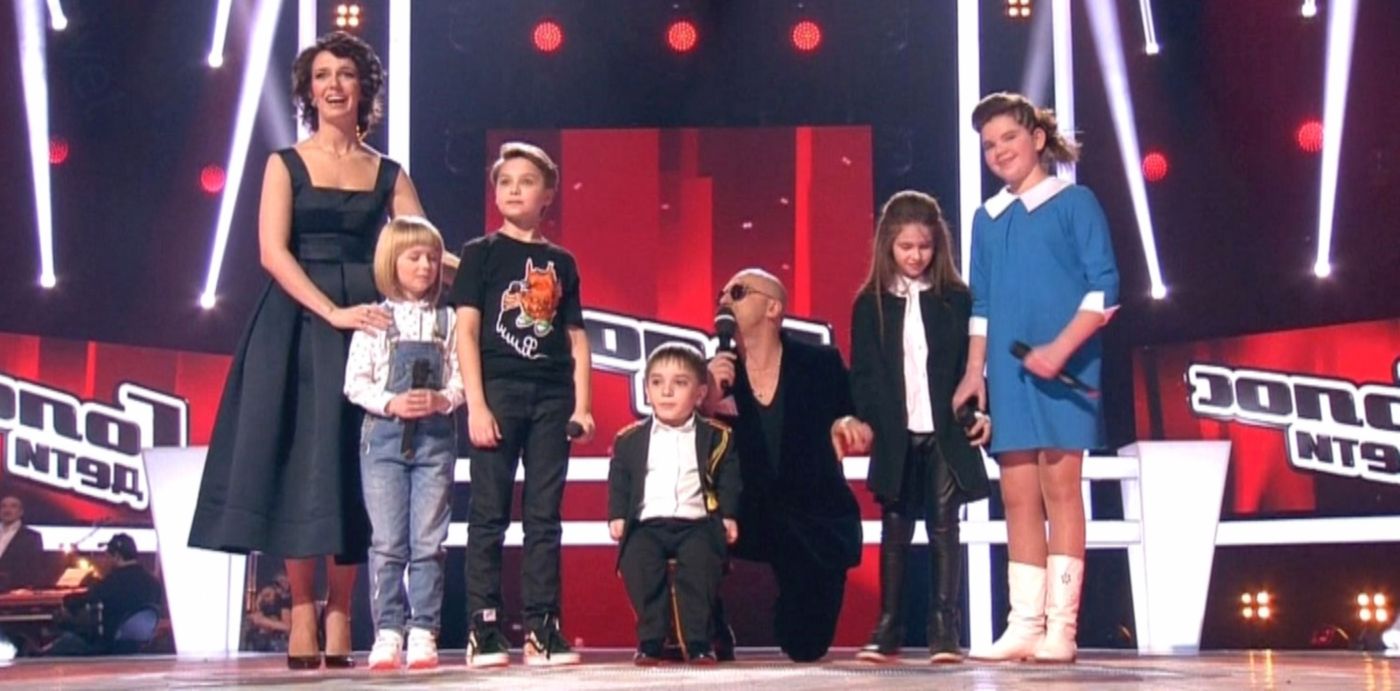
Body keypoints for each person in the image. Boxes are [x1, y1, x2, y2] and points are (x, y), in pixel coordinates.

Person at [188, 31, 427, 670]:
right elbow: (273, 253)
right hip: (297, 323)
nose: (333, 85)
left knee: (356, 463)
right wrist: (331, 311)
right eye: (322, 75)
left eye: (345, 74)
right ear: (308, 91)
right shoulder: (284, 163)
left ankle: (341, 608)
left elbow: (420, 248)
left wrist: (494, 268)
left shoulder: (388, 172)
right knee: (302, 460)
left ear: (364, 88)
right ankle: (300, 606)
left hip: (369, 327)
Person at [956, 92, 1120, 663]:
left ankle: (1061, 629)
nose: (999, 151)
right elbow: (981, 304)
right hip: (1009, 373)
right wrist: (974, 372)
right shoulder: (986, 218)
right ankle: (1023, 624)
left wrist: (1059, 349)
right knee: (1016, 496)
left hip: (1067, 367)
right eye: (989, 144)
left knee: (1061, 490)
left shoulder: (1075, 203)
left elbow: (1105, 290)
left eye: (1008, 137)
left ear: (1037, 138)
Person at [447, 142, 594, 668]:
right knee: (488, 514)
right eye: (505, 181)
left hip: (552, 398)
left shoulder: (562, 262)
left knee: (543, 517)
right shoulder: (480, 254)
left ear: (547, 194)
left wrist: (583, 406)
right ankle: (484, 626)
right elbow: (466, 332)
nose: (513, 190)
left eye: (526, 181)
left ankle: (542, 628)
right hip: (499, 393)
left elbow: (576, 338)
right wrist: (476, 405)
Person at [847, 191, 992, 664]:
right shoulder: (870, 304)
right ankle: (889, 626)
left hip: (945, 431)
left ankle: (944, 629)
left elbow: (973, 367)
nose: (915, 256)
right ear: (888, 244)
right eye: (906, 246)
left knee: (945, 528)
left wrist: (979, 413)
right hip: (897, 434)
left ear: (938, 245)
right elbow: (863, 373)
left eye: (924, 247)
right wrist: (870, 421)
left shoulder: (957, 299)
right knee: (895, 529)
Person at [702, 269, 863, 662]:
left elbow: (855, 412)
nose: (724, 299)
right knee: (687, 524)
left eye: (738, 292)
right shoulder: (713, 374)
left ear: (773, 307)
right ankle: (705, 621)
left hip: (812, 515)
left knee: (806, 645)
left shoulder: (819, 364)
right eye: (722, 293)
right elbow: (681, 440)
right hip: (743, 510)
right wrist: (706, 402)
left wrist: (847, 424)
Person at [344, 216, 463, 670]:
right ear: (391, 261)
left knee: (429, 541)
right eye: (415, 257)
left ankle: (423, 630)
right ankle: (388, 632)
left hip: (435, 440)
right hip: (384, 440)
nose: (426, 266)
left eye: (432, 258)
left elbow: (462, 380)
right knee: (389, 541)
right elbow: (355, 383)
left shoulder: (449, 320)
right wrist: (391, 402)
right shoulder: (375, 320)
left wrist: (442, 398)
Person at [609, 344, 741, 666]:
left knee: (699, 567)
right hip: (647, 525)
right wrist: (617, 515)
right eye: (657, 382)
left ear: (700, 394)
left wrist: (728, 515)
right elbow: (620, 478)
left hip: (697, 524)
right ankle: (651, 642)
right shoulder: (629, 439)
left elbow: (729, 478)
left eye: (679, 383)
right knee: (639, 562)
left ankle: (699, 643)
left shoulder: (718, 436)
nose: (666, 391)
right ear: (646, 390)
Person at [47, 533, 164, 656]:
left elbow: (88, 598)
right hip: (141, 648)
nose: (106, 560)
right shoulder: (154, 583)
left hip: (108, 646)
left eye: (108, 556)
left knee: (65, 642)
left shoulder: (114, 581)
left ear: (117, 556)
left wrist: (67, 600)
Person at [0, 495, 50, 592]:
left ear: (21, 512)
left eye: (13, 506)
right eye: (3, 506)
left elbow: (34, 568)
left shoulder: (31, 537)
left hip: (14, 592)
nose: (7, 510)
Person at [244, 573, 292, 653]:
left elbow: (287, 627)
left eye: (268, 595)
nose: (266, 599)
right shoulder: (262, 605)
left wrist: (264, 621)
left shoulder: (284, 603)